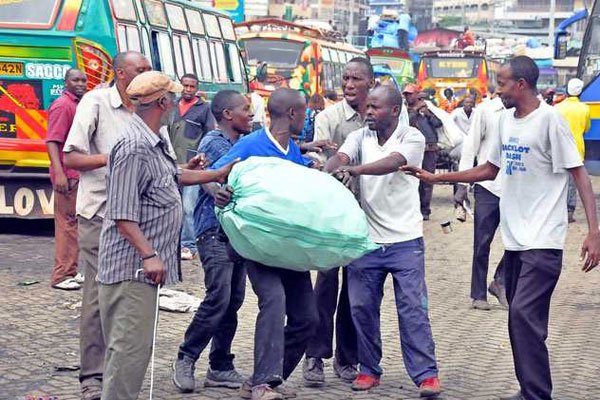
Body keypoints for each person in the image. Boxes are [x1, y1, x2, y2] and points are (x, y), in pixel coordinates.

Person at [403, 56, 600, 400]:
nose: (497, 90)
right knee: (518, 322)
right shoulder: (505, 121)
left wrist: (594, 231)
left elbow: (580, 176)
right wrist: (439, 177)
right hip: (515, 241)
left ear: (521, 85)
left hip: (544, 240)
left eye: (502, 83)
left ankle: (537, 394)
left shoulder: (550, 122)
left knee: (523, 315)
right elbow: (489, 169)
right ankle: (531, 390)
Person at [97, 71, 237, 400]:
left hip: (141, 271)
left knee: (134, 351)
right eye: (171, 97)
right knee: (128, 354)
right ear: (162, 102)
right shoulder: (133, 145)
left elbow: (172, 176)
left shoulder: (154, 138)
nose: (176, 102)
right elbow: (121, 213)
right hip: (131, 269)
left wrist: (214, 172)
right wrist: (149, 254)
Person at [325, 85, 441, 397]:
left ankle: (426, 374)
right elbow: (340, 156)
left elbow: (393, 162)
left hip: (405, 241)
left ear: (393, 110)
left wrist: (356, 170)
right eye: (368, 107)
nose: (368, 112)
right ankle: (368, 368)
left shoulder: (412, 136)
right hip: (367, 241)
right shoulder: (360, 136)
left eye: (375, 108)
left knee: (412, 309)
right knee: (362, 308)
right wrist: (328, 169)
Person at [211, 88, 319, 400]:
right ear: (293, 114)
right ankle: (260, 385)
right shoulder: (251, 145)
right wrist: (218, 191)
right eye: (305, 112)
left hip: (288, 245)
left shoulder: (292, 150)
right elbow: (213, 175)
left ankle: (268, 378)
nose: (307, 117)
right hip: (257, 245)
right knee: (274, 301)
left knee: (307, 317)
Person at [63, 51, 152, 400]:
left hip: (138, 219)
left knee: (128, 298)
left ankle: (120, 373)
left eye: (148, 69)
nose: (146, 75)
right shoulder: (96, 102)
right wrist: (112, 158)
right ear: (119, 73)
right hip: (100, 214)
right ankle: (93, 376)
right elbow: (71, 157)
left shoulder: (148, 107)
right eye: (139, 70)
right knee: (102, 296)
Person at [172, 90, 254, 393]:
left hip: (238, 234)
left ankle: (220, 366)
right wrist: (214, 190)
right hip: (213, 231)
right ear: (228, 115)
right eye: (245, 109)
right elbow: (206, 175)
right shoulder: (212, 141)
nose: (252, 114)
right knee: (218, 296)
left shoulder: (244, 143)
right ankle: (186, 356)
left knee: (233, 300)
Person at [303, 57, 376, 387]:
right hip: (334, 217)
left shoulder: (382, 115)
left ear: (370, 83)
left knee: (356, 291)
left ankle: (348, 358)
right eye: (345, 78)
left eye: (356, 79)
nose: (348, 84)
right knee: (326, 286)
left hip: (370, 217)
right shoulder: (328, 117)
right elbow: (319, 164)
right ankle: (315, 356)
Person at [455, 89, 508, 310]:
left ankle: (500, 281)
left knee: (519, 242)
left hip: (516, 188)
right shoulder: (487, 111)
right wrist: (462, 185)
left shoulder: (531, 112)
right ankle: (478, 294)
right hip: (488, 186)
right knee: (482, 242)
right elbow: (471, 147)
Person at [46, 69, 87, 291]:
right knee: (67, 224)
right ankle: (62, 275)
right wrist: (60, 173)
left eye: (83, 80)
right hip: (67, 175)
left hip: (75, 174)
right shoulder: (63, 105)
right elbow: (52, 141)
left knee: (74, 224)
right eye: (75, 80)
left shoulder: (77, 104)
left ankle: (71, 270)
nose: (80, 84)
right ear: (66, 83)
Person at [169, 73, 216, 261]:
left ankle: (188, 245)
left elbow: (209, 135)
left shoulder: (204, 109)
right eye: (185, 86)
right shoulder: (172, 107)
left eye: (191, 86)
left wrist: (203, 160)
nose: (188, 89)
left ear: (197, 88)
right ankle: (173, 243)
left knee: (189, 207)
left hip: (192, 166)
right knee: (173, 206)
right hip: (171, 162)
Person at [404, 83, 443, 220]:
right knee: (412, 179)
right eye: (406, 94)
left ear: (417, 95)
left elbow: (438, 124)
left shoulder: (427, 108)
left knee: (427, 180)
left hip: (430, 149)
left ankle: (425, 210)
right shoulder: (404, 110)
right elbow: (405, 123)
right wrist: (415, 111)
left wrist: (427, 114)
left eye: (410, 94)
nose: (407, 97)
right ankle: (413, 208)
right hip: (412, 150)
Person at [555, 78, 591, 223]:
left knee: (558, 180)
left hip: (559, 148)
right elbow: (586, 128)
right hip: (577, 148)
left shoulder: (558, 108)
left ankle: (558, 210)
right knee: (572, 181)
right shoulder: (585, 108)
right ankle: (569, 211)